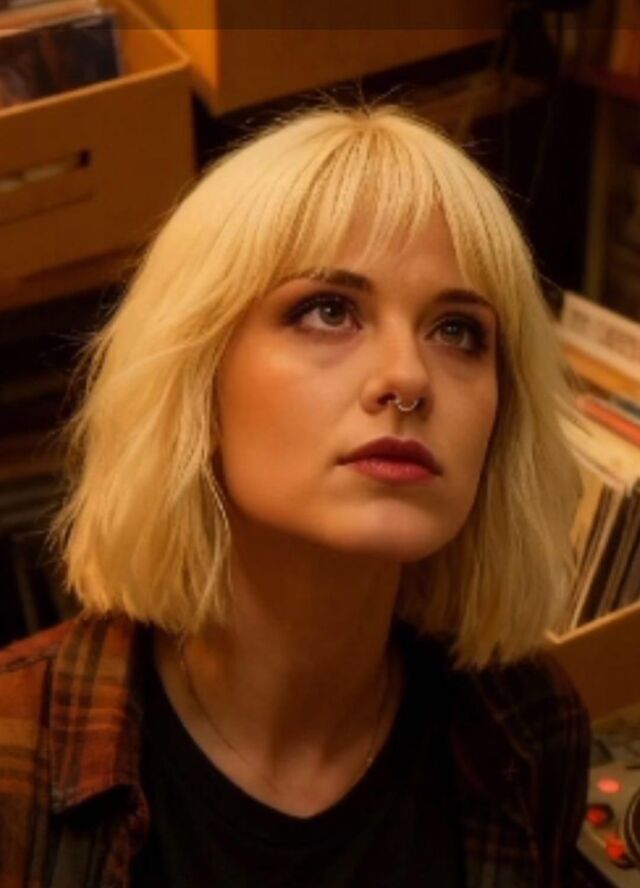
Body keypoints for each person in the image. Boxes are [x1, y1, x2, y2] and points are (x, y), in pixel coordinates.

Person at [0, 101, 597, 887]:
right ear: (197, 375)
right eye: (329, 311)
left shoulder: (527, 729)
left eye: (457, 330)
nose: (407, 378)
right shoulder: (18, 755)